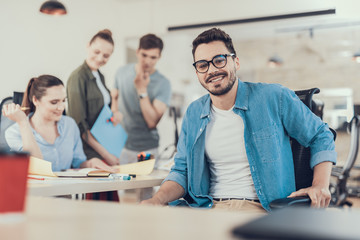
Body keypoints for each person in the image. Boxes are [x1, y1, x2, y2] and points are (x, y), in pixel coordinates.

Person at [141, 28, 337, 212]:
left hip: (258, 208)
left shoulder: (273, 97)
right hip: (204, 208)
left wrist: (320, 185)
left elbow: (321, 135)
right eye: (203, 65)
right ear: (198, 73)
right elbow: (181, 171)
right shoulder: (194, 112)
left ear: (236, 62)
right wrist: (156, 200)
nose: (212, 70)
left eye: (219, 60)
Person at [3, 75, 114, 172]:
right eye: (54, 102)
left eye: (63, 101)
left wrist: (90, 163)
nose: (61, 108)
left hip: (65, 193)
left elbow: (78, 163)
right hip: (37, 194)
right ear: (35, 100)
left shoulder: (70, 125)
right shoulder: (14, 132)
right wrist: (23, 122)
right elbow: (36, 168)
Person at [111, 33, 171, 164]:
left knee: (145, 185)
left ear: (159, 57)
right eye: (144, 55)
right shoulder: (121, 72)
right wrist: (114, 112)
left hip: (148, 148)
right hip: (121, 146)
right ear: (137, 52)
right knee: (121, 185)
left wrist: (142, 90)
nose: (148, 61)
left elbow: (152, 122)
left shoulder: (163, 83)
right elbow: (113, 101)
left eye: (153, 57)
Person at [67, 29, 121, 166]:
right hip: (89, 154)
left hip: (105, 146)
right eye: (97, 52)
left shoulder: (100, 76)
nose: (100, 58)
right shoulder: (77, 77)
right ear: (88, 46)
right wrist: (106, 155)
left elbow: (104, 112)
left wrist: (115, 113)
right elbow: (80, 125)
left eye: (106, 56)